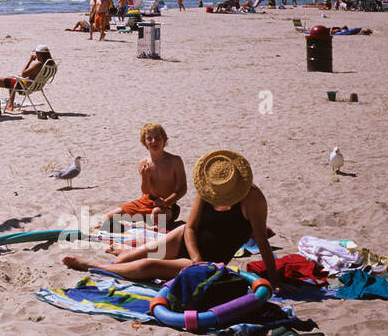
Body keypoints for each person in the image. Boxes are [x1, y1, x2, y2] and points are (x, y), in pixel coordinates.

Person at [62, 150, 284, 290]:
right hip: (187, 242)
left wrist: (274, 280)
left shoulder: (252, 198)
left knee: (147, 266)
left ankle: (92, 265)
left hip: (209, 258)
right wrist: (195, 254)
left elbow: (262, 240)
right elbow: (191, 228)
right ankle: (124, 253)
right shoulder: (209, 188)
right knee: (123, 263)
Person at [100, 124, 187, 229]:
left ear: (164, 140)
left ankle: (144, 225)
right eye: (149, 139)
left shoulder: (175, 161)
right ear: (144, 142)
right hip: (146, 202)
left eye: (157, 138)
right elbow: (145, 190)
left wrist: (166, 202)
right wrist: (145, 177)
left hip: (168, 204)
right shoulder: (143, 163)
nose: (154, 141)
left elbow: (182, 189)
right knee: (108, 217)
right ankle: (143, 224)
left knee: (157, 214)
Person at [0, 45, 51, 112]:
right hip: (37, 86)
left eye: (36, 53)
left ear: (40, 54)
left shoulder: (39, 64)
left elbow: (23, 74)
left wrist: (30, 61)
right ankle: (10, 105)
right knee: (10, 78)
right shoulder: (51, 64)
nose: (35, 55)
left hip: (24, 86)